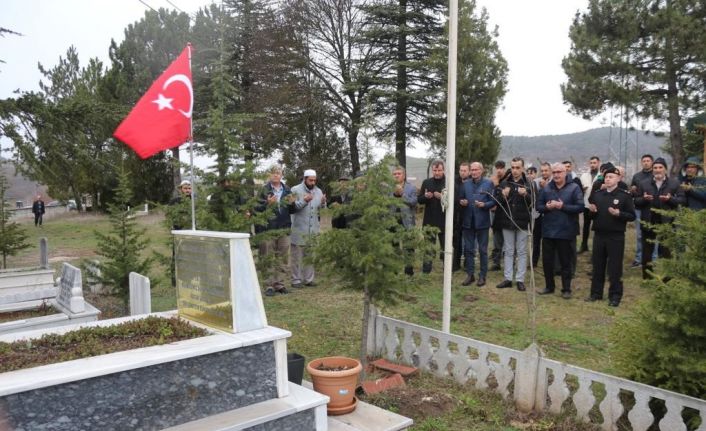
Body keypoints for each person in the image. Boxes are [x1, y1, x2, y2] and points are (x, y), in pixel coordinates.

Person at [586, 167, 636, 306]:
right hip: (599, 235)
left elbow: (632, 216)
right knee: (598, 266)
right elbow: (592, 215)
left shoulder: (624, 196)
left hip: (615, 236)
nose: (608, 179)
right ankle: (596, 293)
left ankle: (615, 296)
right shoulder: (597, 194)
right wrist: (592, 211)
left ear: (618, 179)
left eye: (611, 177)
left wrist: (619, 214)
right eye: (606, 177)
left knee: (614, 268)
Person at [537, 163, 583, 299]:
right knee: (547, 261)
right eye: (554, 172)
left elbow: (580, 207)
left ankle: (566, 288)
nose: (556, 175)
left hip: (566, 231)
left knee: (565, 262)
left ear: (565, 173)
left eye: (559, 172)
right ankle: (549, 286)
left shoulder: (574, 188)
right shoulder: (546, 188)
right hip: (548, 231)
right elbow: (538, 207)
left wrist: (563, 206)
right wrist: (547, 207)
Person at [634, 158, 685, 279]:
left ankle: (669, 277)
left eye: (660, 167)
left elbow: (682, 200)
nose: (658, 170)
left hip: (667, 222)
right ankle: (647, 276)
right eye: (655, 168)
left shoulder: (674, 183)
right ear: (652, 170)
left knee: (667, 251)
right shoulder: (644, 184)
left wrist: (670, 199)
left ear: (665, 169)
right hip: (648, 221)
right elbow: (636, 201)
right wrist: (644, 199)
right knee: (647, 251)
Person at [495, 158, 534, 291]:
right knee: (508, 250)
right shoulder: (505, 183)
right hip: (507, 221)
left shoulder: (528, 183)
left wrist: (526, 195)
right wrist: (503, 195)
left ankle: (520, 279)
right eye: (513, 167)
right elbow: (498, 202)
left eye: (518, 167)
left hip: (522, 222)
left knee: (522, 251)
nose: (515, 170)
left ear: (522, 168)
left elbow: (534, 202)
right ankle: (507, 278)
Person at [255, 166, 292, 296]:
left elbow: (291, 210)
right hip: (267, 228)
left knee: (282, 257)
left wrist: (294, 203)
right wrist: (267, 204)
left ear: (282, 175)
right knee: (267, 256)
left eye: (278, 173)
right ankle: (268, 285)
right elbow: (256, 209)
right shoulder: (263, 190)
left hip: (284, 228)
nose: (276, 175)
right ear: (269, 176)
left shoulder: (287, 190)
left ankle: (279, 284)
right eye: (273, 173)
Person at [457, 162, 496, 287]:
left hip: (482, 222)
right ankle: (470, 274)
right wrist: (462, 202)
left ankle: (482, 276)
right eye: (472, 170)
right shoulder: (465, 184)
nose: (474, 172)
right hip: (468, 221)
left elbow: (493, 201)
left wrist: (485, 205)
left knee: (483, 250)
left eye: (476, 170)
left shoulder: (488, 183)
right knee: (468, 250)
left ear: (482, 170)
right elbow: (460, 199)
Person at [290, 169, 326, 288]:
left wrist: (323, 203)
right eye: (310, 180)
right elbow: (292, 208)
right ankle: (296, 280)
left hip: (313, 229)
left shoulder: (319, 191)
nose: (313, 183)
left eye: (314, 180)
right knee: (297, 256)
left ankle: (309, 279)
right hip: (298, 228)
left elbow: (322, 209)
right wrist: (304, 201)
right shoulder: (295, 190)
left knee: (310, 256)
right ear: (304, 179)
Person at [417, 160, 447, 273]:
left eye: (439, 170)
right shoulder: (426, 182)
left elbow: (453, 201)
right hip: (429, 220)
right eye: (435, 170)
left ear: (443, 170)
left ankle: (447, 269)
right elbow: (419, 200)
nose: (437, 172)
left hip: (444, 221)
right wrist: (425, 196)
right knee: (428, 248)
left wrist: (442, 197)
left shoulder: (448, 182)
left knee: (445, 247)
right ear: (432, 170)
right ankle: (426, 270)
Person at [629, 154, 655, 268]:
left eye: (648, 161)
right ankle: (639, 258)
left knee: (653, 234)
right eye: (643, 161)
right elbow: (633, 192)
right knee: (640, 235)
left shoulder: (656, 174)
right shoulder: (637, 176)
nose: (646, 163)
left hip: (653, 208)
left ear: (652, 162)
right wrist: (633, 190)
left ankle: (654, 259)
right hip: (639, 208)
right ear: (641, 163)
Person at [392, 166, 418, 275]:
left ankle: (409, 272)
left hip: (407, 222)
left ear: (404, 175)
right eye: (395, 174)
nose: (397, 175)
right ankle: (394, 272)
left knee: (409, 247)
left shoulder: (411, 188)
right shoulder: (388, 188)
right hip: (392, 222)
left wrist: (402, 194)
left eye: (399, 173)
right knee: (393, 248)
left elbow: (413, 202)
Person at [531, 163, 552, 267]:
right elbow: (535, 198)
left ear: (550, 171)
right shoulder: (535, 182)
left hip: (550, 215)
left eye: (546, 170)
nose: (544, 173)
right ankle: (534, 261)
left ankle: (547, 263)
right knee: (536, 240)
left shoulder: (554, 182)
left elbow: (553, 197)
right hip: (538, 215)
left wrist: (546, 187)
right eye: (542, 170)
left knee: (548, 241)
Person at [579, 156, 600, 253]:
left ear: (598, 163)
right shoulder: (584, 175)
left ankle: (597, 248)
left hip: (598, 205)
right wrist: (582, 189)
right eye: (591, 163)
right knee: (586, 226)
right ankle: (584, 245)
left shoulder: (602, 175)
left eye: (594, 163)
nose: (592, 165)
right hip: (586, 204)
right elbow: (579, 189)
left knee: (597, 227)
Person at [453, 163, 472, 271]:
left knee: (469, 241)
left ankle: (467, 263)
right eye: (461, 170)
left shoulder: (472, 183)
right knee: (457, 241)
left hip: (468, 214)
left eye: (465, 170)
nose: (462, 172)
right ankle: (456, 264)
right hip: (457, 215)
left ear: (469, 172)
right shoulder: (455, 182)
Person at [490, 160, 506, 271]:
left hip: (506, 214)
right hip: (495, 214)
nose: (499, 170)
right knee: (497, 239)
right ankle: (496, 263)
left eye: (501, 168)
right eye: (497, 168)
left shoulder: (507, 180)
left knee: (508, 240)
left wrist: (497, 185)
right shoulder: (492, 180)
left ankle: (509, 263)